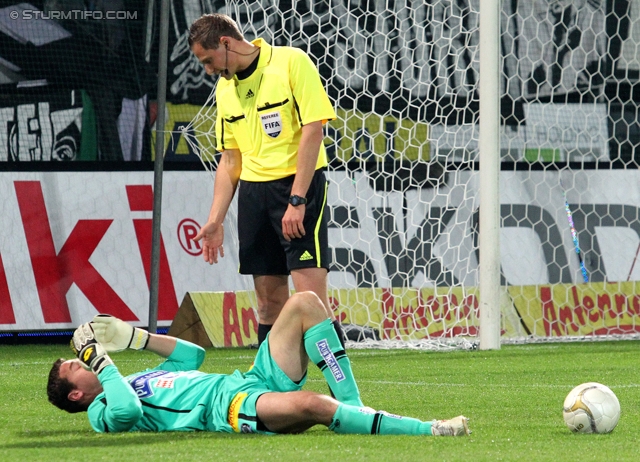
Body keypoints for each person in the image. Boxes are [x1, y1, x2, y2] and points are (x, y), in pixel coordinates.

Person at [47, 291, 470, 436]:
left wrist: (135, 338)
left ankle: (357, 404)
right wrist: (103, 363)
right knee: (313, 405)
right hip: (228, 408)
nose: (83, 359)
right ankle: (427, 428)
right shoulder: (102, 412)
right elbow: (129, 410)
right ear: (78, 393)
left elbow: (193, 357)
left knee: (305, 304)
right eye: (75, 365)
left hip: (249, 379)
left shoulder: (135, 376)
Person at [188, 13, 340, 346]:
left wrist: (297, 200)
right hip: (255, 196)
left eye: (209, 60)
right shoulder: (225, 91)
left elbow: (314, 130)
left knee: (311, 302)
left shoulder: (290, 62)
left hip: (297, 187)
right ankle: (270, 393)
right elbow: (230, 160)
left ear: (226, 43)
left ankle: (342, 392)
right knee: (268, 305)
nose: (209, 70)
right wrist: (214, 221)